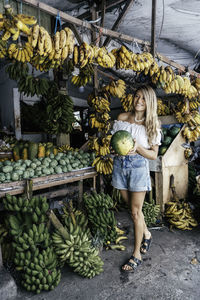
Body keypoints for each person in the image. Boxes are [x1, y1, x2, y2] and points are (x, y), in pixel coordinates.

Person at [111, 85, 161, 272]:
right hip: (119, 165)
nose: (139, 101)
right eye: (137, 96)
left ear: (150, 102)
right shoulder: (122, 118)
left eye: (143, 98)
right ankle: (147, 233)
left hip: (138, 167)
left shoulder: (152, 125)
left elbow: (154, 155)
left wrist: (138, 148)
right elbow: (115, 141)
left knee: (135, 213)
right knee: (130, 207)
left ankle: (136, 254)